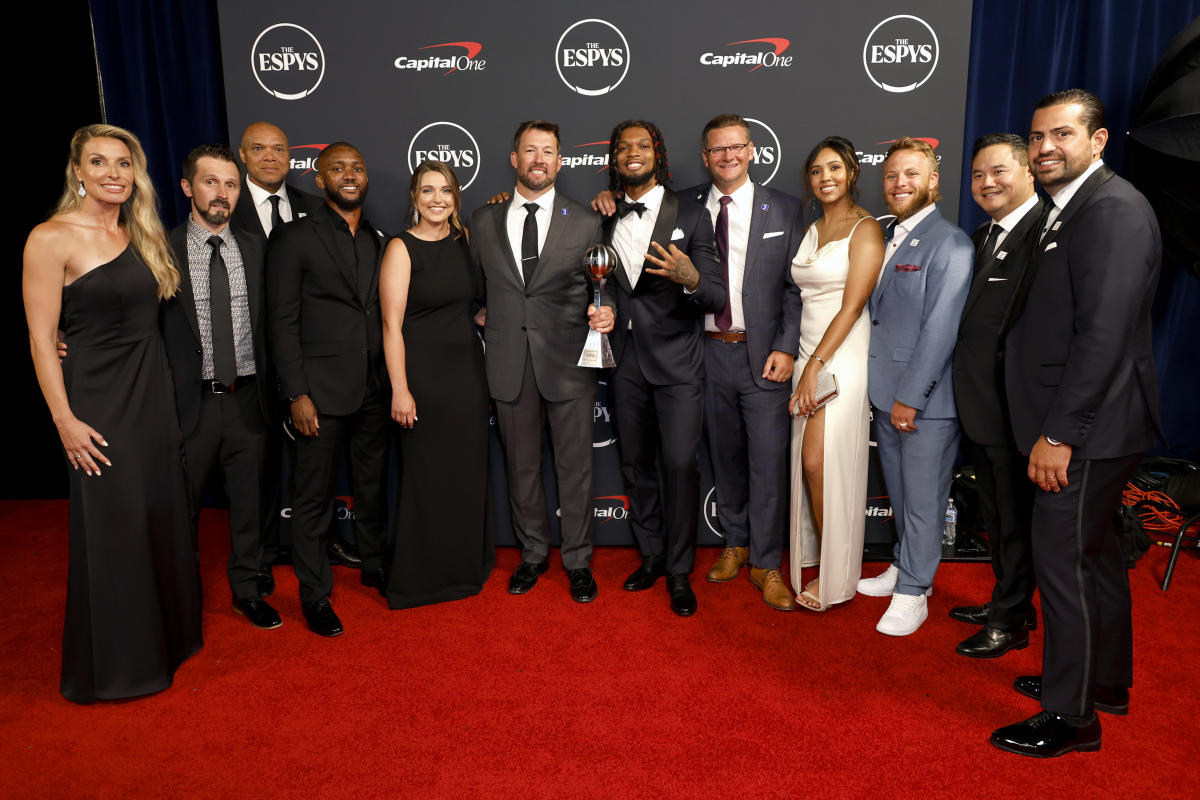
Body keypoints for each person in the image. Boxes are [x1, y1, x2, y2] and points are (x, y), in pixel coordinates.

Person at [991, 90, 1162, 758]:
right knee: (1093, 563)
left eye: (1061, 134)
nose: (1044, 149)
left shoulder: (1114, 211)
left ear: (1098, 140)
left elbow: (1103, 337)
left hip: (1085, 432)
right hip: (1085, 425)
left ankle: (1071, 718)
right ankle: (1101, 685)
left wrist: (1060, 434)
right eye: (1036, 138)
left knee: (1063, 566)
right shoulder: (1076, 208)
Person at [22, 124, 202, 702]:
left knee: (158, 512)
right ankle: (121, 665)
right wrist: (64, 421)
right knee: (115, 526)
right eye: (98, 163)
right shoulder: (50, 238)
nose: (112, 174)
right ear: (77, 171)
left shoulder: (141, 230)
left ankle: (167, 641)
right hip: (97, 401)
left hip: (151, 393)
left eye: (123, 164)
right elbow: (40, 338)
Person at [469, 120, 609, 603]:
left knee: (575, 470)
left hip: (569, 364)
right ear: (514, 159)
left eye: (547, 152)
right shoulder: (482, 222)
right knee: (521, 468)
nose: (538, 160)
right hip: (509, 364)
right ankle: (531, 556)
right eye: (529, 151)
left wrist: (605, 313)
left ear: (560, 161)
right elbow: (473, 290)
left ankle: (578, 561)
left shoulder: (586, 221)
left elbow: (600, 290)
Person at [266, 142, 390, 637]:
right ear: (319, 179)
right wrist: (296, 391)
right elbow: (282, 320)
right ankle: (315, 594)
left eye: (357, 167)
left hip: (374, 388)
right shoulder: (293, 238)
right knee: (312, 498)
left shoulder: (378, 241)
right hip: (317, 394)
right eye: (336, 168)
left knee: (373, 486)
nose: (349, 174)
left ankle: (375, 566)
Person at [601, 120, 724, 617]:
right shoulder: (603, 215)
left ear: (659, 153)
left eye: (643, 145)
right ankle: (651, 555)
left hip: (677, 365)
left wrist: (689, 276)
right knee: (635, 465)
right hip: (624, 363)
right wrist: (605, 304)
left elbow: (713, 293)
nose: (633, 153)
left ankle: (679, 570)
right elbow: (605, 281)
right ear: (613, 158)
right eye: (623, 147)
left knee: (678, 465)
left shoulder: (692, 213)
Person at [231, 121, 358, 593]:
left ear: (293, 158)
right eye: (259, 149)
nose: (270, 156)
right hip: (247, 359)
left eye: (279, 149)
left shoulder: (312, 207)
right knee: (257, 464)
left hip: (311, 365)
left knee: (316, 467)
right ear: (242, 155)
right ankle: (260, 557)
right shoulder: (226, 206)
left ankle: (320, 546)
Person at [160, 144, 281, 629]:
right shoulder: (160, 250)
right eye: (211, 182)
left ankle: (247, 590)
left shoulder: (257, 247)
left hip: (248, 398)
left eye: (231, 184)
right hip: (190, 405)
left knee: (249, 504)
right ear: (189, 187)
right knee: (180, 508)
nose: (222, 193)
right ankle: (181, 598)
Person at [856, 137, 972, 636]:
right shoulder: (887, 233)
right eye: (891, 176)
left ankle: (916, 591)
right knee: (902, 496)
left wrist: (910, 397)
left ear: (933, 182)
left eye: (911, 175)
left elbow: (940, 329)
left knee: (924, 500)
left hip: (923, 402)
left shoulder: (951, 243)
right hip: (887, 393)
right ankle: (905, 565)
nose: (899, 184)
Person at [378, 160, 493, 609]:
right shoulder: (401, 249)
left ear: (455, 197)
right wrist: (400, 389)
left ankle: (463, 568)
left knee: (464, 475)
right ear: (413, 197)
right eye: (427, 191)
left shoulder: (465, 242)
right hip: (422, 380)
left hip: (466, 376)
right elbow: (391, 326)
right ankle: (422, 578)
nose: (437, 200)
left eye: (445, 191)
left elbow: (469, 308)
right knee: (426, 477)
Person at [948, 134, 1044, 657]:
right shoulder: (985, 235)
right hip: (982, 409)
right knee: (997, 517)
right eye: (979, 174)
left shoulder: (1042, 233)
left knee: (1013, 521)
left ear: (1029, 171)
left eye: (1000, 172)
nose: (988, 183)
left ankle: (1010, 621)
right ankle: (1009, 601)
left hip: (1014, 413)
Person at [787, 136, 885, 611]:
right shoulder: (812, 229)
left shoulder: (864, 229)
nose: (825, 178)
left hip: (839, 354)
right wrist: (803, 360)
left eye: (834, 168)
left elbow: (851, 307)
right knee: (815, 465)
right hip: (809, 351)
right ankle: (824, 556)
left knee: (818, 461)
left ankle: (835, 574)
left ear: (851, 173)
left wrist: (815, 366)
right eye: (816, 170)